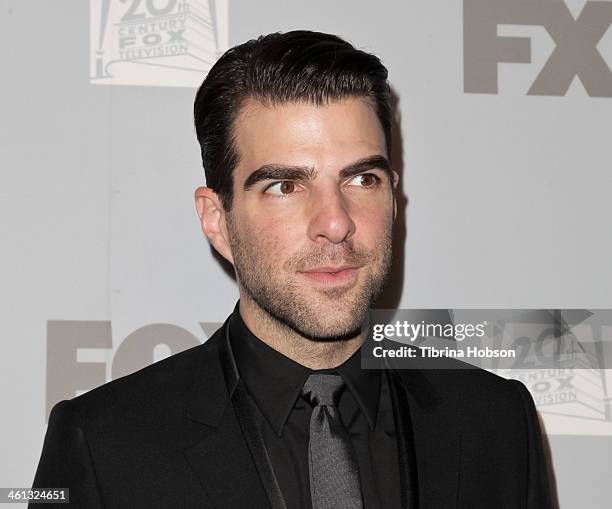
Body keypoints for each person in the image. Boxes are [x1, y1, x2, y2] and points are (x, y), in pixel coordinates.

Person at [30, 30, 553, 508]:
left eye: (361, 180)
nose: (334, 223)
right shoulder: (103, 444)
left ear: (394, 196)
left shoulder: (495, 422)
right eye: (285, 186)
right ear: (217, 219)